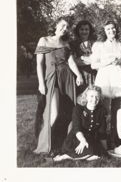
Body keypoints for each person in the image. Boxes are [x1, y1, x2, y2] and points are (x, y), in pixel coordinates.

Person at [34, 18, 84, 154]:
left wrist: (78, 75)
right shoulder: (44, 40)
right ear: (55, 25)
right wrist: (41, 83)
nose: (65, 28)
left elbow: (71, 62)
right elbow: (39, 64)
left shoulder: (66, 43)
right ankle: (45, 145)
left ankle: (65, 142)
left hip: (67, 78)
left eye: (67, 27)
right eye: (62, 25)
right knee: (53, 112)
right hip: (51, 78)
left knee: (69, 110)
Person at [91, 20, 121, 149]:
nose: (111, 31)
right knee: (104, 111)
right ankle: (102, 139)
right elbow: (93, 64)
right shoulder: (99, 45)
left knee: (117, 111)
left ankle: (115, 139)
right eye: (108, 29)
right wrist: (107, 62)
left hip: (118, 78)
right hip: (105, 78)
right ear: (104, 31)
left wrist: (119, 63)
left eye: (113, 28)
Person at [54, 86, 107, 161]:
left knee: (98, 153)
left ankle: (77, 157)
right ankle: (66, 156)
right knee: (92, 152)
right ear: (86, 97)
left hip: (91, 139)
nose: (94, 99)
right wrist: (83, 141)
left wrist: (105, 149)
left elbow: (102, 132)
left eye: (97, 97)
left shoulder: (101, 111)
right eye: (91, 96)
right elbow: (77, 128)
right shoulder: (78, 109)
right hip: (76, 138)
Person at [70, 20, 97, 97]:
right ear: (78, 30)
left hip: (94, 75)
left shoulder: (95, 43)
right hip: (79, 75)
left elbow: (98, 60)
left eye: (86, 29)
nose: (84, 31)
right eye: (82, 29)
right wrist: (91, 60)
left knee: (93, 98)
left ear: (90, 31)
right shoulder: (73, 44)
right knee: (81, 99)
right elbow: (74, 61)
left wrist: (82, 58)